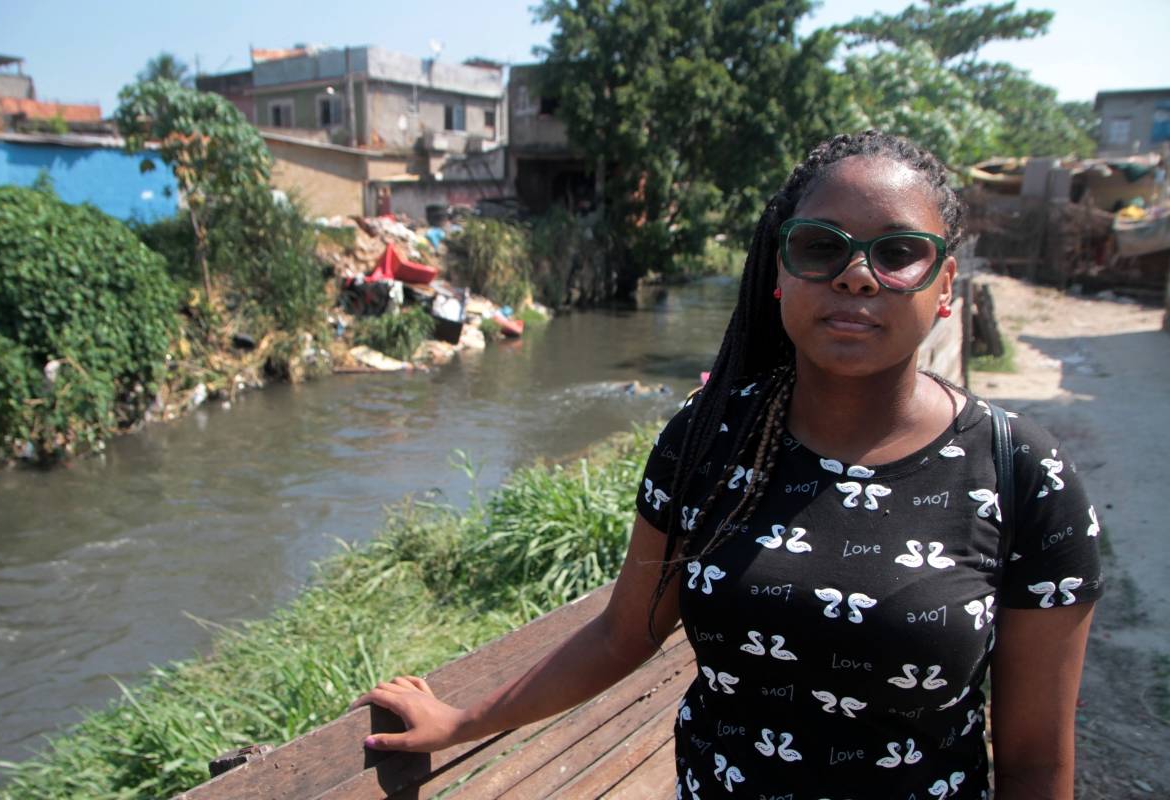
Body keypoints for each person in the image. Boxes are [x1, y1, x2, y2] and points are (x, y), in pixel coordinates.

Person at [349, 131, 1103, 799]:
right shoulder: (710, 439)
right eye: (821, 247)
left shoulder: (1021, 474)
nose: (858, 276)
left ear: (945, 289)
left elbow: (1035, 764)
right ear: (780, 272)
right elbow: (624, 633)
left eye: (899, 252)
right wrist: (462, 720)